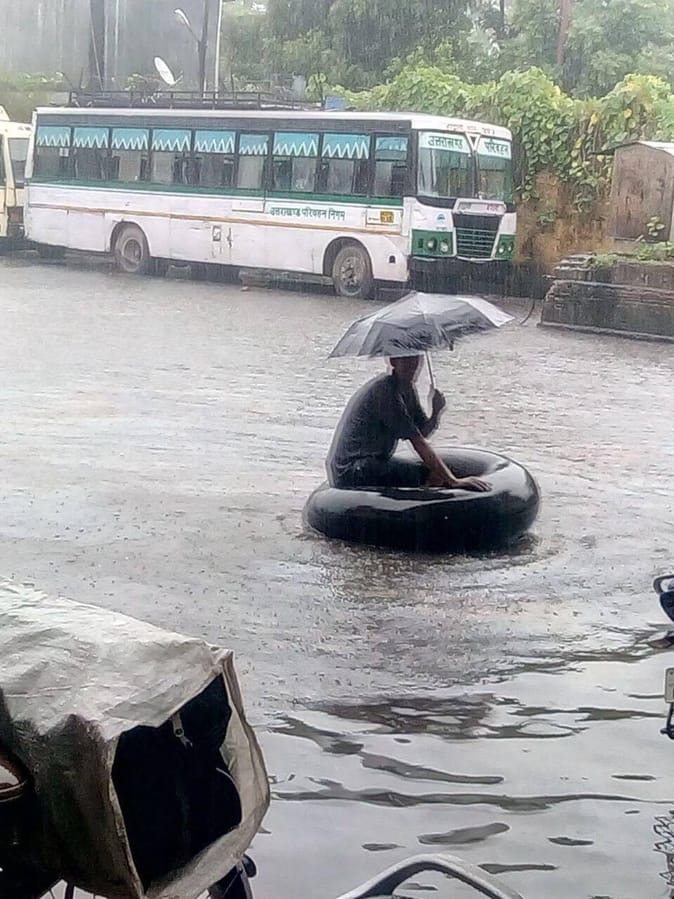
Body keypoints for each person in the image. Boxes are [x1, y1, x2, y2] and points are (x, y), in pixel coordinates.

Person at [327, 355, 490, 491]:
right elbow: (417, 442)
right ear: (393, 362)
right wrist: (453, 481)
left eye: (415, 359)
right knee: (431, 474)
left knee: (435, 471)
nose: (412, 365)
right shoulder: (384, 391)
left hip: (373, 462)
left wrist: (435, 413)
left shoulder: (408, 389)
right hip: (353, 468)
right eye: (406, 360)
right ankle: (425, 511)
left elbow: (423, 432)